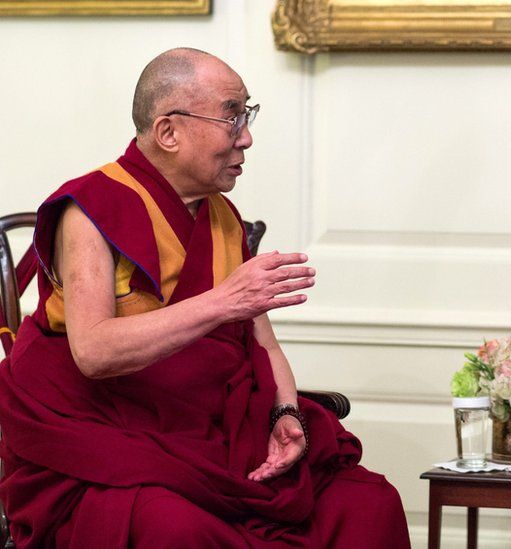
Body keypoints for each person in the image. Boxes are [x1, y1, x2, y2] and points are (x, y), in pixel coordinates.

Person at [0, 48, 410, 547]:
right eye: (232, 115)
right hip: (111, 441)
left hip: (209, 437)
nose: (247, 135)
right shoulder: (91, 209)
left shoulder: (222, 218)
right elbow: (93, 353)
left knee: (368, 502)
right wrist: (223, 301)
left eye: (247, 114)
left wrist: (285, 413)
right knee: (174, 527)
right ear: (169, 131)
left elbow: (265, 346)